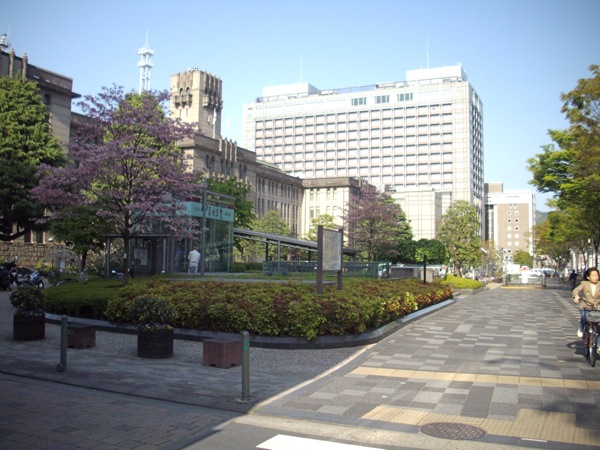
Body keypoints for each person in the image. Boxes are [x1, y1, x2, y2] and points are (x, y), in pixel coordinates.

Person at [572, 268, 600, 344]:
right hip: (586, 305)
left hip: (597, 307)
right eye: (593, 275)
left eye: (597, 275)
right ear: (588, 277)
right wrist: (576, 296)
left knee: (599, 325)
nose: (596, 277)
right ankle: (581, 329)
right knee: (584, 316)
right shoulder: (584, 283)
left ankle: (599, 345)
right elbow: (576, 290)